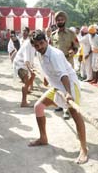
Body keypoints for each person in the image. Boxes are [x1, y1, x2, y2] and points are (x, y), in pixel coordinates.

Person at [29, 30, 88, 164]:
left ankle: (84, 149)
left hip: (69, 85)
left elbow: (63, 75)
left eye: (42, 43)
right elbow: (49, 69)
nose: (40, 47)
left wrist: (68, 93)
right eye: (36, 45)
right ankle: (43, 138)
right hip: (56, 87)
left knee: (76, 115)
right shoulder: (39, 53)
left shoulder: (55, 54)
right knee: (38, 107)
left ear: (47, 40)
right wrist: (46, 78)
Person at [51, 11, 79, 119]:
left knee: (68, 86)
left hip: (67, 63)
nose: (60, 21)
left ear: (65, 20)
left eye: (61, 20)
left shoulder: (71, 34)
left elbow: (76, 46)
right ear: (56, 21)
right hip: (56, 65)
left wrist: (73, 51)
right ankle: (60, 105)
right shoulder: (53, 35)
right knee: (57, 85)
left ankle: (67, 109)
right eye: (58, 20)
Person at [13, 34, 36, 107]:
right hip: (20, 64)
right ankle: (23, 102)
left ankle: (26, 91)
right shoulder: (27, 44)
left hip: (25, 65)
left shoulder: (33, 44)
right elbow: (26, 61)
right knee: (26, 82)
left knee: (30, 79)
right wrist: (31, 70)